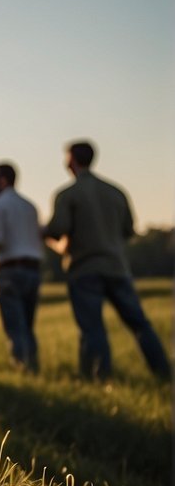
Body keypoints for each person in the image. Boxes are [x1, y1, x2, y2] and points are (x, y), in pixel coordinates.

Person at [44, 141, 170, 381]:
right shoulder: (116, 192)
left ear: (71, 161)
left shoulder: (67, 194)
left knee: (92, 328)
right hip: (117, 267)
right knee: (139, 323)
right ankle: (163, 372)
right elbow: (129, 230)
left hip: (84, 269)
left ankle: (99, 379)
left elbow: (57, 229)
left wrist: (44, 234)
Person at [0, 162, 44, 372]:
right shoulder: (30, 206)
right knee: (28, 324)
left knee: (14, 326)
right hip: (33, 269)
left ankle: (22, 368)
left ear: (2, 181)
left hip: (9, 269)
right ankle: (34, 365)